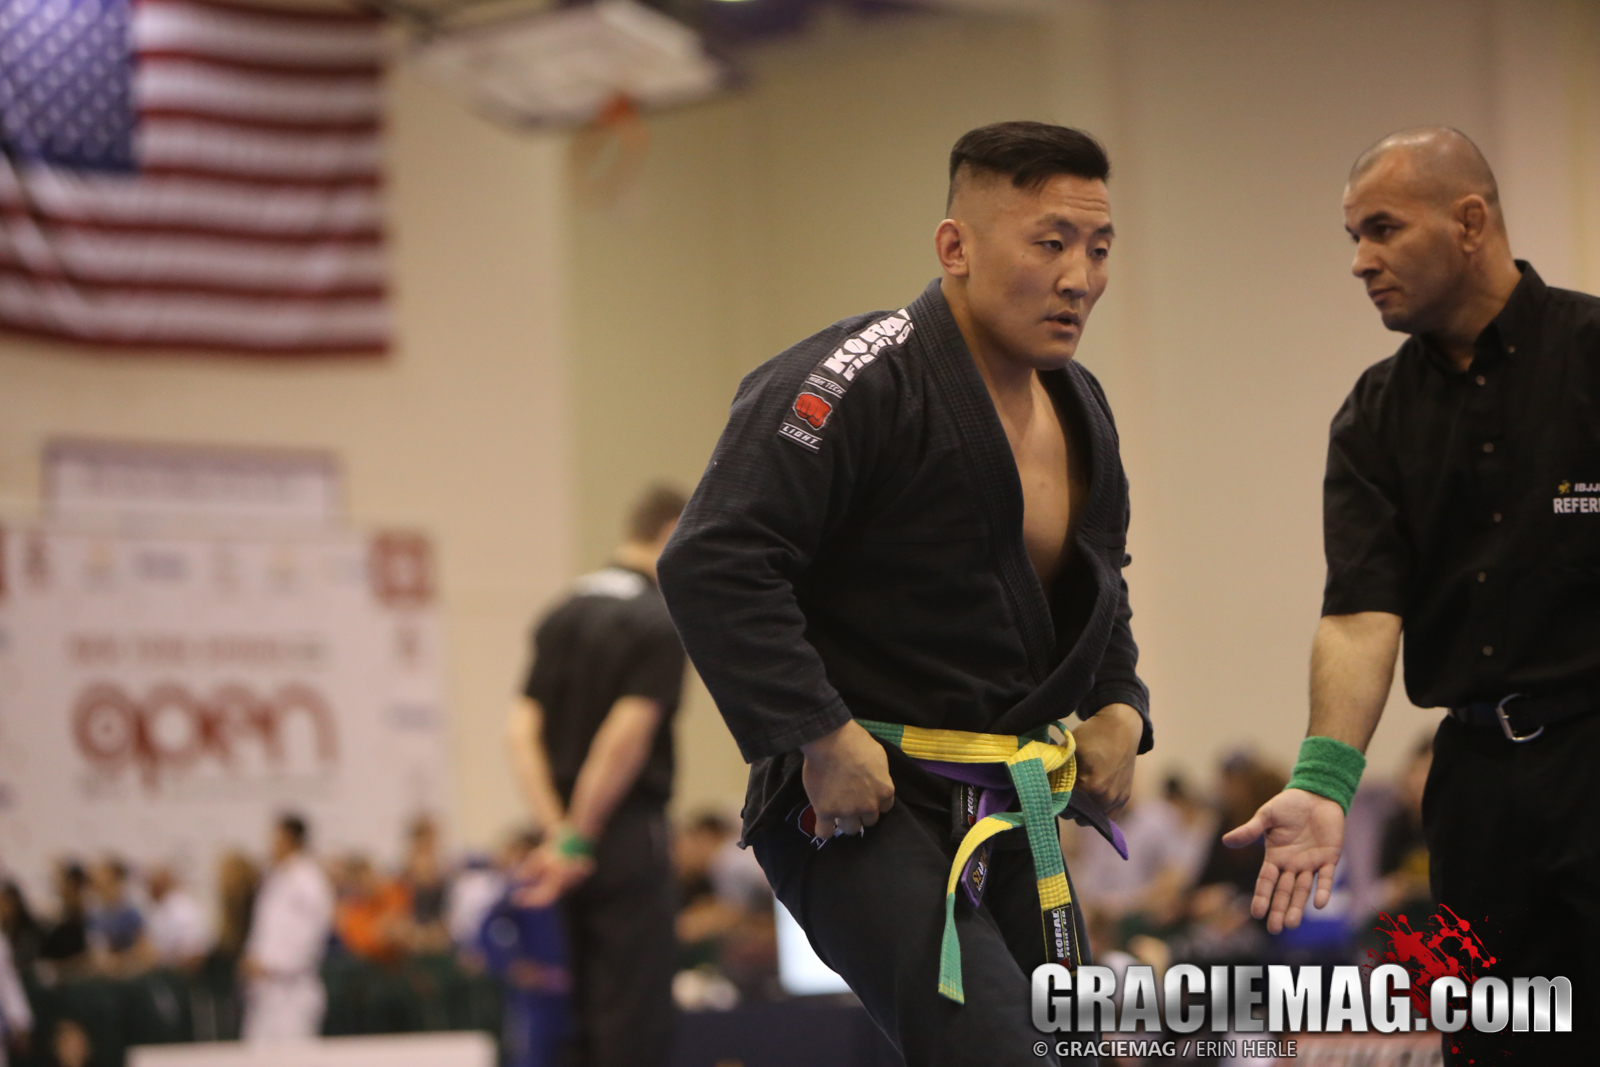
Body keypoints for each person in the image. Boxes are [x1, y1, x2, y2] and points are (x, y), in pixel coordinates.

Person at [658, 122, 1151, 1066]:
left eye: (1098, 248)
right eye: (1050, 243)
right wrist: (819, 731)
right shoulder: (855, 378)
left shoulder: (1080, 403)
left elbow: (1101, 580)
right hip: (857, 802)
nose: (1079, 277)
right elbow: (712, 559)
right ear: (955, 247)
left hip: (1008, 800)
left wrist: (1121, 701)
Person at [1224, 126, 1600, 1062]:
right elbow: (1360, 617)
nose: (1360, 260)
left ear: (1469, 222)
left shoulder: (1593, 355)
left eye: (1383, 229)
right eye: (1354, 236)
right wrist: (1323, 782)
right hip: (1479, 790)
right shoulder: (1373, 416)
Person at [507, 484, 689, 1067]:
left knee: (581, 1018)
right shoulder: (658, 619)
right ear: (672, 532)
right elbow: (623, 740)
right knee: (632, 1022)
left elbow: (520, 731)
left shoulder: (562, 611)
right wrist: (579, 837)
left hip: (560, 843)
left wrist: (555, 833)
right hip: (620, 832)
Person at [241, 813, 334, 1043]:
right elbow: (265, 929)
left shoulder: (309, 880)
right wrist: (254, 957)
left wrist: (274, 963)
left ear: (290, 839)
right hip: (264, 989)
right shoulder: (274, 878)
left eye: (275, 837)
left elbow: (313, 931)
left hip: (293, 988)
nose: (270, 844)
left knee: (294, 1054)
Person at [144, 865, 209, 969]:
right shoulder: (159, 909)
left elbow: (194, 950)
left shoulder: (180, 908)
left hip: (179, 970)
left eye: (153, 883)